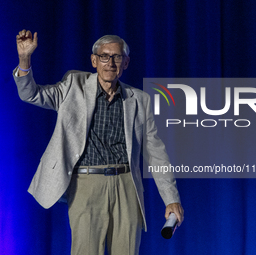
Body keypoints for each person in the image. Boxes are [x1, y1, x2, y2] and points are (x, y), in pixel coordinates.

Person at [13, 29, 184, 255]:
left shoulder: (139, 100)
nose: (110, 63)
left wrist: (171, 198)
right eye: (104, 56)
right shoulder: (73, 86)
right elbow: (31, 94)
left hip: (126, 185)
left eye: (117, 57)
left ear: (126, 63)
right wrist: (25, 59)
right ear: (94, 60)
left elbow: (156, 153)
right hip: (86, 183)